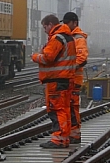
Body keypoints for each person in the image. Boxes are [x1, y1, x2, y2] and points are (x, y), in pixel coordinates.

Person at [31, 14, 78, 149]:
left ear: (50, 25)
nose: (44, 30)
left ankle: (58, 139)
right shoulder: (68, 37)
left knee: (57, 110)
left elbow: (48, 57)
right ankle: (64, 137)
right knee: (65, 109)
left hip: (56, 80)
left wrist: (35, 57)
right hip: (66, 79)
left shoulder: (57, 38)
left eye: (45, 27)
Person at [63, 11, 88, 144]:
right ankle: (71, 133)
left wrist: (68, 69)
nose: (66, 26)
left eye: (68, 23)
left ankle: (75, 135)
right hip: (68, 79)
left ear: (75, 23)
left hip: (74, 79)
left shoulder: (78, 38)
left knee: (72, 107)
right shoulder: (69, 37)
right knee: (68, 107)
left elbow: (82, 58)